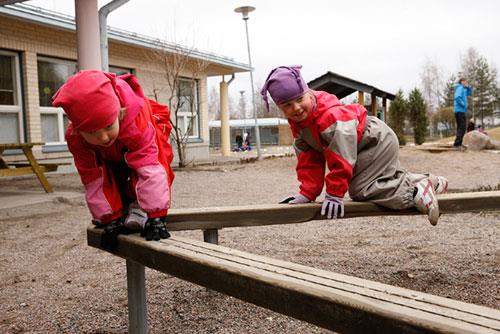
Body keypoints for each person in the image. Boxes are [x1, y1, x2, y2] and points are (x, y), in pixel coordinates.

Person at [260, 65, 449, 225]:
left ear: (308, 93)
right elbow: (309, 159)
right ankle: (429, 181)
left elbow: (341, 157)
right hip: (362, 146)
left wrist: (334, 193)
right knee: (372, 184)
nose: (296, 108)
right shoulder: (299, 125)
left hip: (375, 141)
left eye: (300, 99)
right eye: (287, 105)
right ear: (279, 107)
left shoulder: (329, 117)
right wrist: (307, 193)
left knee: (362, 190)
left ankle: (416, 191)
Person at [52, 70, 175, 249]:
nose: (103, 138)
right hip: (112, 152)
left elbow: (151, 166)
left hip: (143, 134)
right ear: (79, 130)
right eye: (93, 132)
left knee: (147, 165)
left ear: (119, 112)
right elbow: (94, 178)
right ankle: (121, 209)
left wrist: (157, 216)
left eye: (108, 126)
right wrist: (110, 219)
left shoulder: (137, 120)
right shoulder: (77, 139)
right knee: (111, 173)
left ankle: (139, 206)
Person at [453, 78, 473, 147]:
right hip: (459, 111)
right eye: (465, 81)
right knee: (462, 127)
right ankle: (457, 144)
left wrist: (468, 87)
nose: (466, 83)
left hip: (461, 111)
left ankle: (459, 143)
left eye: (466, 81)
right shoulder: (459, 88)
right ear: (461, 82)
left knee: (461, 127)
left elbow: (470, 93)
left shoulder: (463, 89)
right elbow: (457, 97)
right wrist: (463, 104)